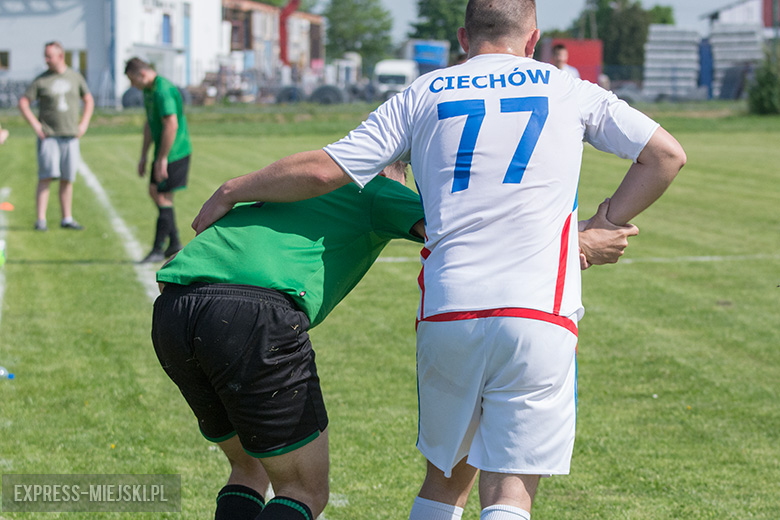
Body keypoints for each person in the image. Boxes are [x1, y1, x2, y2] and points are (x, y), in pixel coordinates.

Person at [190, 1, 686, 517]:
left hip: (451, 307)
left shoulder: (425, 91)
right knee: (510, 494)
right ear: (534, 38)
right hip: (541, 310)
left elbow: (324, 170)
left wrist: (233, 189)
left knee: (444, 485)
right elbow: (666, 155)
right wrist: (603, 223)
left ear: (463, 38)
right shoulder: (566, 87)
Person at [152, 162, 426, 520]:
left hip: (174, 311)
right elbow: (457, 228)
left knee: (250, 468)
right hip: (251, 317)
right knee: (303, 489)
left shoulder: (285, 184)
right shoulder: (381, 187)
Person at [18, 41, 94, 231]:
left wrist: (84, 123)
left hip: (70, 136)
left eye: (49, 56)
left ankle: (66, 218)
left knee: (67, 179)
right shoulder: (41, 80)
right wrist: (35, 124)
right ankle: (41, 220)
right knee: (46, 177)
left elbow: (88, 99)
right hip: (49, 136)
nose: (46, 60)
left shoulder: (75, 77)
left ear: (60, 56)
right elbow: (24, 102)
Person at [125, 57, 191, 263]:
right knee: (156, 193)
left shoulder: (163, 90)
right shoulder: (148, 91)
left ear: (142, 74)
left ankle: (158, 249)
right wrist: (144, 155)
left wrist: (162, 158)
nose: (131, 85)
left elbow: (171, 124)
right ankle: (174, 243)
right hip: (162, 153)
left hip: (175, 152)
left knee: (163, 197)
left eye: (132, 80)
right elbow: (150, 123)